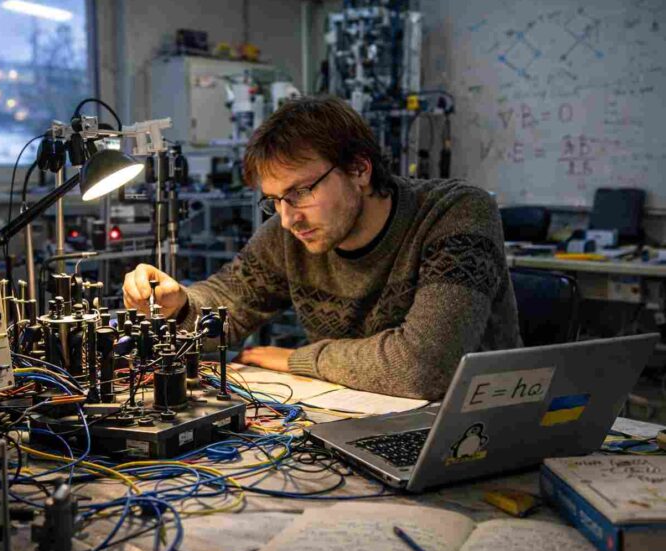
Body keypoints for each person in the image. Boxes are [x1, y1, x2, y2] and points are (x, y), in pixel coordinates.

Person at [123, 96, 521, 400]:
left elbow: (424, 369)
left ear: (359, 169)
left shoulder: (455, 214)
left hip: (474, 427)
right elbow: (229, 301)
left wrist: (299, 359)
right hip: (357, 417)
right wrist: (179, 304)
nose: (286, 219)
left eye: (300, 192)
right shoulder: (288, 234)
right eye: (274, 200)